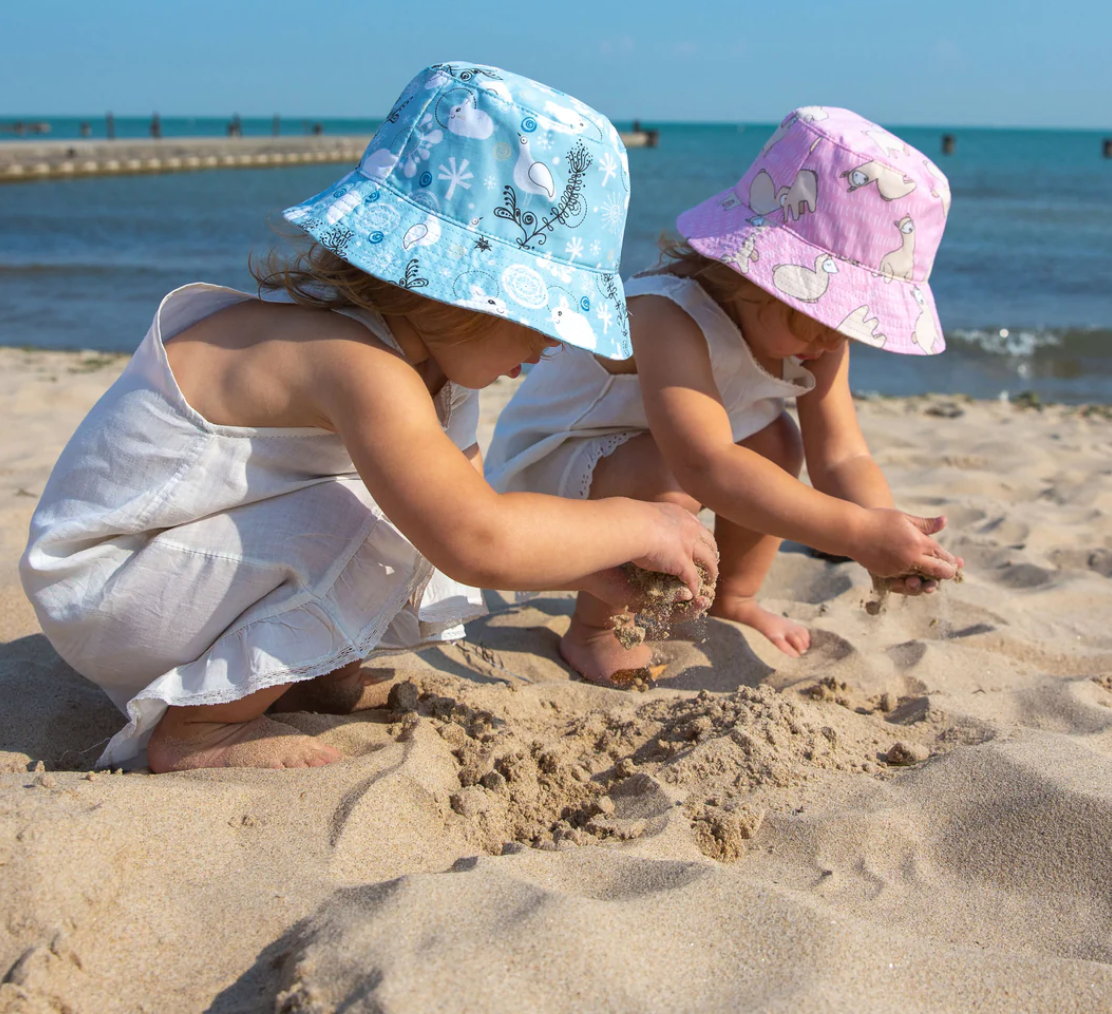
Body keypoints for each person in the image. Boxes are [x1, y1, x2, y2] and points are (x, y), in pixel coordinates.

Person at [19, 63, 718, 773]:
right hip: (109, 583)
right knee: (372, 530)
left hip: (178, 573)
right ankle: (198, 734)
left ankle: (299, 676)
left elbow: (474, 517)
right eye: (537, 311)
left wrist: (585, 571)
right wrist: (643, 522)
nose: (556, 339)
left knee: (405, 520)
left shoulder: (436, 366)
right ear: (455, 291)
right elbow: (475, 538)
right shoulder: (352, 362)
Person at [486, 106, 963, 684]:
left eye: (846, 323)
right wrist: (854, 534)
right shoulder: (667, 314)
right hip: (549, 478)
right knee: (677, 473)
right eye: (818, 313)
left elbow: (842, 455)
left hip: (651, 464)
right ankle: (595, 629)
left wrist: (883, 530)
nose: (831, 337)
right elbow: (704, 462)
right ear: (752, 271)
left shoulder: (818, 337)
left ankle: (734, 596)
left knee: (777, 442)